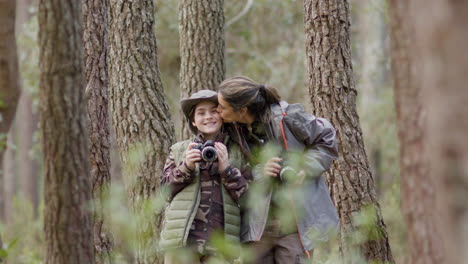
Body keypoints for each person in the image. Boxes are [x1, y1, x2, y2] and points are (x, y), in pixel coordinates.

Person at [216, 76, 339, 264]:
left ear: (242, 110)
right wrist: (260, 171)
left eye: (222, 107)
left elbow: (327, 137)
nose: (217, 111)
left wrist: (304, 168)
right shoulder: (232, 130)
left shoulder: (286, 116)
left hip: (294, 224)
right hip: (256, 226)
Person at [159, 90, 250, 264]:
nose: (208, 116)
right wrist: (186, 167)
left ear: (222, 115)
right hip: (181, 243)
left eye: (214, 111)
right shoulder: (179, 150)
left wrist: (227, 170)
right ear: (193, 121)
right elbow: (164, 193)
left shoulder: (238, 153)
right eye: (201, 113)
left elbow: (249, 199)